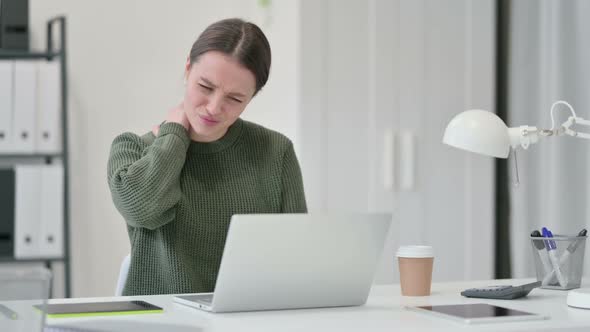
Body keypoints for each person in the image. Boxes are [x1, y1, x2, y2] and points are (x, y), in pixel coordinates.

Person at [107, 18, 307, 296]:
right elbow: (142, 209)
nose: (214, 108)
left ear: (252, 97)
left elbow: (296, 257)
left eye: (235, 99)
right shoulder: (132, 149)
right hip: (161, 321)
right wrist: (174, 134)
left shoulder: (276, 152)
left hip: (249, 320)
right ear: (188, 68)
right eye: (205, 87)